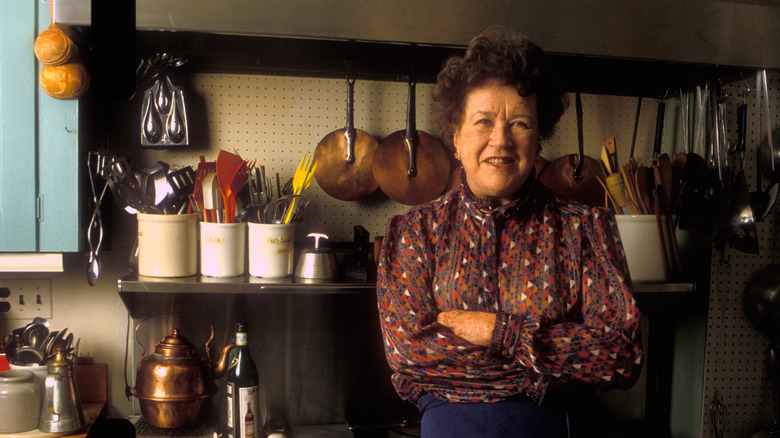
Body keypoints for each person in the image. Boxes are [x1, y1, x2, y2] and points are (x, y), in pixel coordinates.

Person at [376, 27, 643, 438]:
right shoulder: (414, 231)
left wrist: (498, 330)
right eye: (483, 121)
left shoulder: (585, 227)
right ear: (456, 138)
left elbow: (620, 357)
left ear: (538, 139)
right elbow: (409, 356)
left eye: (519, 123)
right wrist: (548, 365)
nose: (500, 141)